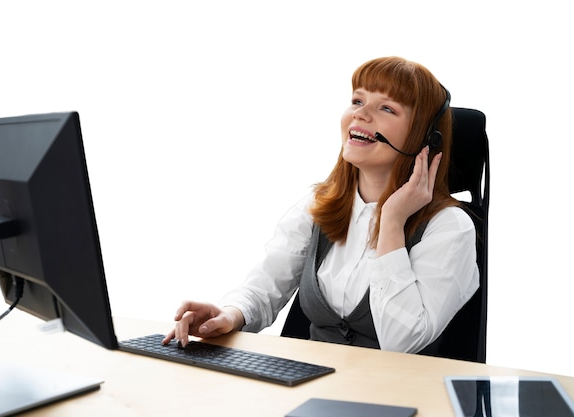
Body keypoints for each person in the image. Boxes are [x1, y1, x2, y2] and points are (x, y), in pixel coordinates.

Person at [163, 56, 479, 354]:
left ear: (426, 137)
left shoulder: (450, 227)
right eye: (357, 100)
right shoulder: (320, 206)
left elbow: (402, 341)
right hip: (314, 387)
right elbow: (266, 286)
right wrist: (230, 315)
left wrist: (393, 222)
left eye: (386, 108)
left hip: (399, 400)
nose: (361, 114)